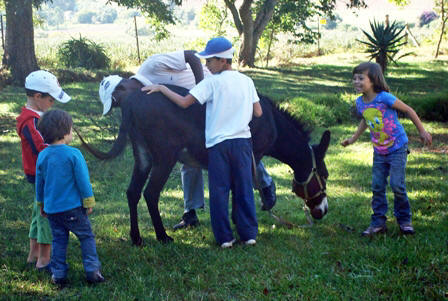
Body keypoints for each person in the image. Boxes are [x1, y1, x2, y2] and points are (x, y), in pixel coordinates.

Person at [98, 50, 277, 231]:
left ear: (122, 88)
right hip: (188, 112)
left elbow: (191, 56)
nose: (120, 106)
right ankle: (191, 212)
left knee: (237, 154)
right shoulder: (144, 99)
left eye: (116, 102)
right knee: (191, 159)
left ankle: (264, 183)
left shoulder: (151, 66)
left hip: (206, 98)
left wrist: (200, 86)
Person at [143, 37, 261, 248]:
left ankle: (225, 238)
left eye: (209, 61)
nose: (206, 65)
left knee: (219, 191)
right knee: (244, 187)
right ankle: (249, 234)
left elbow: (184, 102)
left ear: (223, 61)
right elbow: (258, 111)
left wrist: (161, 88)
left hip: (218, 145)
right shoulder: (247, 81)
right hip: (243, 142)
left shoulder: (211, 83)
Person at [341, 62, 432, 236]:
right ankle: (378, 223)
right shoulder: (360, 102)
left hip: (397, 147)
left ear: (373, 80)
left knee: (397, 185)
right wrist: (353, 139)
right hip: (379, 151)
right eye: (354, 78)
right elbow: (365, 120)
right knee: (377, 186)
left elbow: (409, 110)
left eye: (361, 78)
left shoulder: (384, 97)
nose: (356, 82)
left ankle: (405, 221)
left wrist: (422, 131)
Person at [35, 109, 105, 285]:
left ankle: (58, 274)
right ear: (65, 132)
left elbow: (39, 183)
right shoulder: (74, 154)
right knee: (86, 236)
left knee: (59, 240)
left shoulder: (42, 156)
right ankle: (92, 270)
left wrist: (41, 204)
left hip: (52, 210)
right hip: (73, 208)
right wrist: (88, 201)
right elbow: (83, 181)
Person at [16, 70, 71, 272]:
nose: (53, 103)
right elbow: (41, 147)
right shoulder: (31, 121)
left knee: (36, 214)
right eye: (50, 99)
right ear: (38, 97)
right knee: (47, 215)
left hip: (41, 174)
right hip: (43, 175)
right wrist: (62, 144)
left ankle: (34, 254)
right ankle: (45, 261)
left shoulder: (34, 117)